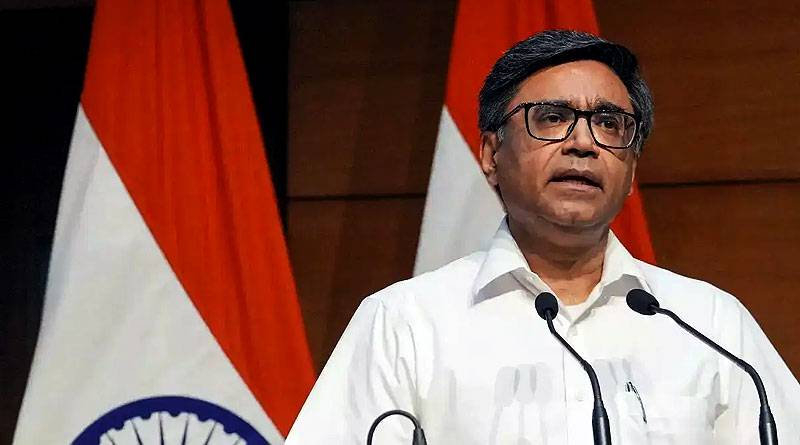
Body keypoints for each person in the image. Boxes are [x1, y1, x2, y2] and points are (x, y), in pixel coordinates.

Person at [285, 30, 800, 444]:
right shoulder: (405, 324)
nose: (583, 143)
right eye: (552, 118)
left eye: (609, 123)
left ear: (631, 170)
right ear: (491, 155)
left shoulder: (710, 325)